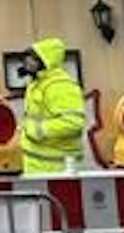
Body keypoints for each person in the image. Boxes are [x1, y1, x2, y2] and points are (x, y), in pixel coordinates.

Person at [19, 36, 87, 175]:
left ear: (45, 61)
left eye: (33, 58)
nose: (27, 62)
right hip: (37, 165)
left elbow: (73, 122)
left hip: (57, 167)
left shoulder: (60, 86)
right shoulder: (37, 84)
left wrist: (37, 131)